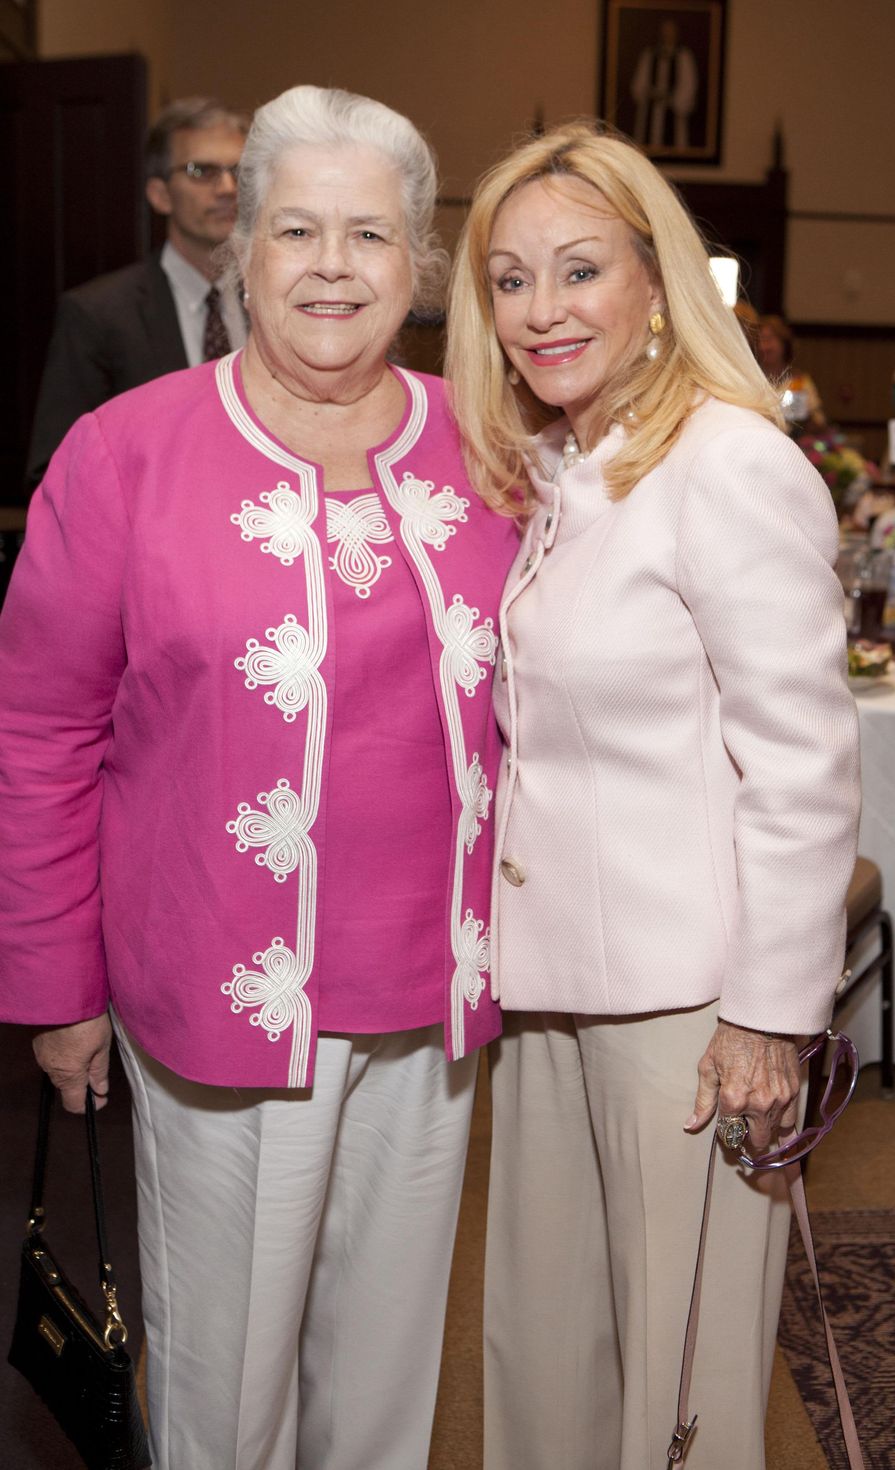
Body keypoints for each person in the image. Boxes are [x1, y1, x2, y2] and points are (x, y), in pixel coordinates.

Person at [0, 84, 517, 1470]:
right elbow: (39, 732)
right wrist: (57, 987)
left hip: (436, 992)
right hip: (218, 1002)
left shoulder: (494, 447)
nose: (332, 266)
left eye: (370, 233)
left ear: (420, 261)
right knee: (225, 1394)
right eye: (296, 229)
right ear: (241, 249)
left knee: (388, 1374)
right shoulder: (125, 453)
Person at [446, 122, 860, 1470]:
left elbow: (801, 763)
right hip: (554, 985)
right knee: (545, 1351)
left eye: (578, 270)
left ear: (654, 276)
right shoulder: (567, 468)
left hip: (689, 1014)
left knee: (686, 1385)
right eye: (510, 280)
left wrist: (768, 1016)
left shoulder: (727, 462)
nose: (542, 310)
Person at [25, 97, 249, 490]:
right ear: (160, 194)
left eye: (238, 172)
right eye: (201, 171)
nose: (227, 188)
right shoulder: (98, 314)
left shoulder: (279, 303)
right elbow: (55, 472)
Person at [630, 18, 699, 152]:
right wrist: (650, 93)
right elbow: (638, 83)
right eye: (665, 32)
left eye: (670, 32)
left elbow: (689, 85)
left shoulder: (684, 56)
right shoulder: (649, 54)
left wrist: (672, 97)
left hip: (672, 109)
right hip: (651, 110)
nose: (667, 35)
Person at [756, 313, 827, 429]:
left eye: (770, 340)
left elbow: (818, 422)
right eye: (761, 340)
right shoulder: (751, 379)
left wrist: (804, 414)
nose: (765, 347)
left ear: (784, 344)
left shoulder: (798, 380)